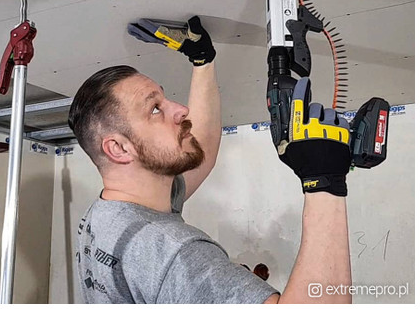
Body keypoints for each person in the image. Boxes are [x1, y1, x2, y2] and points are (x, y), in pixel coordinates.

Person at [68, 16, 352, 303]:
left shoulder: (111, 213)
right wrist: (324, 180)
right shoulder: (175, 254)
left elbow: (199, 150)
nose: (180, 109)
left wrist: (203, 61)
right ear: (118, 148)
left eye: (164, 99)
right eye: (155, 109)